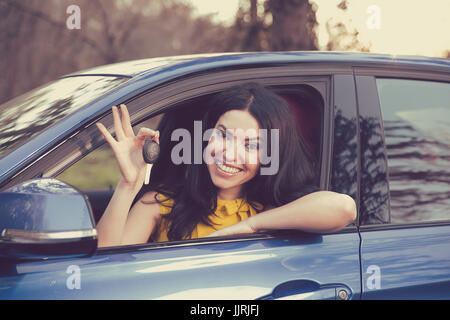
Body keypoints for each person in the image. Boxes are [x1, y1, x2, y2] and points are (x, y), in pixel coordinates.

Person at [95, 82, 356, 247]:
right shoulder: (160, 202)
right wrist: (128, 184)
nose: (229, 155)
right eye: (222, 135)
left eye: (250, 145)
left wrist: (251, 226)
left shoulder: (271, 210)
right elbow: (105, 265)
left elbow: (343, 208)